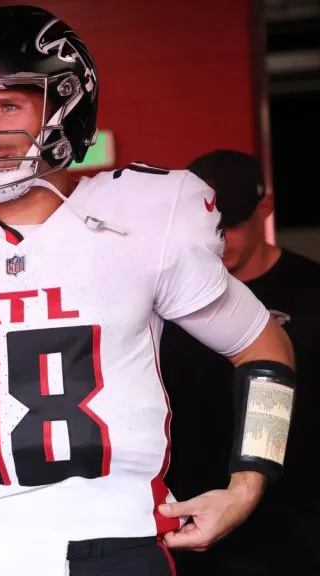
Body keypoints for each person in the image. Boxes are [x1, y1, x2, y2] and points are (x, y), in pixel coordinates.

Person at [0, 6, 298, 576]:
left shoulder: (148, 213)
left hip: (114, 539)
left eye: (8, 104)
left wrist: (247, 485)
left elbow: (265, 348)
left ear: (67, 106)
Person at [161, 149, 320, 576]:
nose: (222, 242)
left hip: (293, 516)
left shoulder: (311, 290)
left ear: (264, 208)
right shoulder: (162, 299)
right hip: (188, 511)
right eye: (210, 228)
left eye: (232, 225)